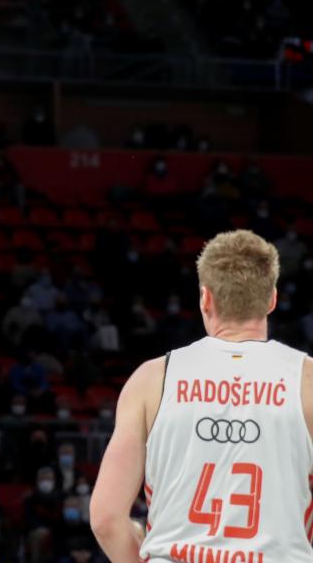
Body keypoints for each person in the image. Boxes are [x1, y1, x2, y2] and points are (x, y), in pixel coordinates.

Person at [91, 230, 313, 562]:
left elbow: (106, 519)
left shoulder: (152, 379)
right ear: (271, 300)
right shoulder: (306, 380)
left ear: (205, 298)